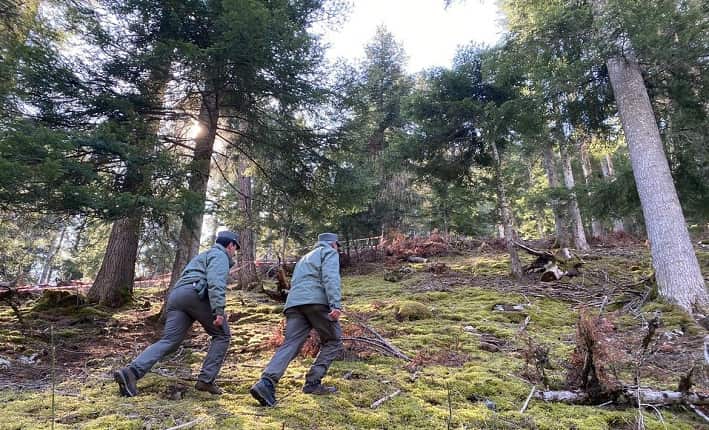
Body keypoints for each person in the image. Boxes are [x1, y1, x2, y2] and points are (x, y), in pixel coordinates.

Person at [114, 230, 239, 397]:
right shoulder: (220, 256)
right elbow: (215, 282)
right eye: (235, 248)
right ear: (230, 245)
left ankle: (132, 372)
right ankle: (206, 380)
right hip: (196, 294)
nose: (235, 252)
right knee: (222, 335)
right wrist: (219, 311)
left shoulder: (204, 255)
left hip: (177, 296)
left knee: (170, 341)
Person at [250, 232, 343, 407]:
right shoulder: (329, 253)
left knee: (290, 344)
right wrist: (335, 304)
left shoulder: (305, 258)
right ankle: (313, 383)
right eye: (338, 246)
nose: (338, 249)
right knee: (334, 340)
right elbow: (331, 278)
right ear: (333, 244)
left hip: (294, 304)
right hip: (316, 303)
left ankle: (266, 383)